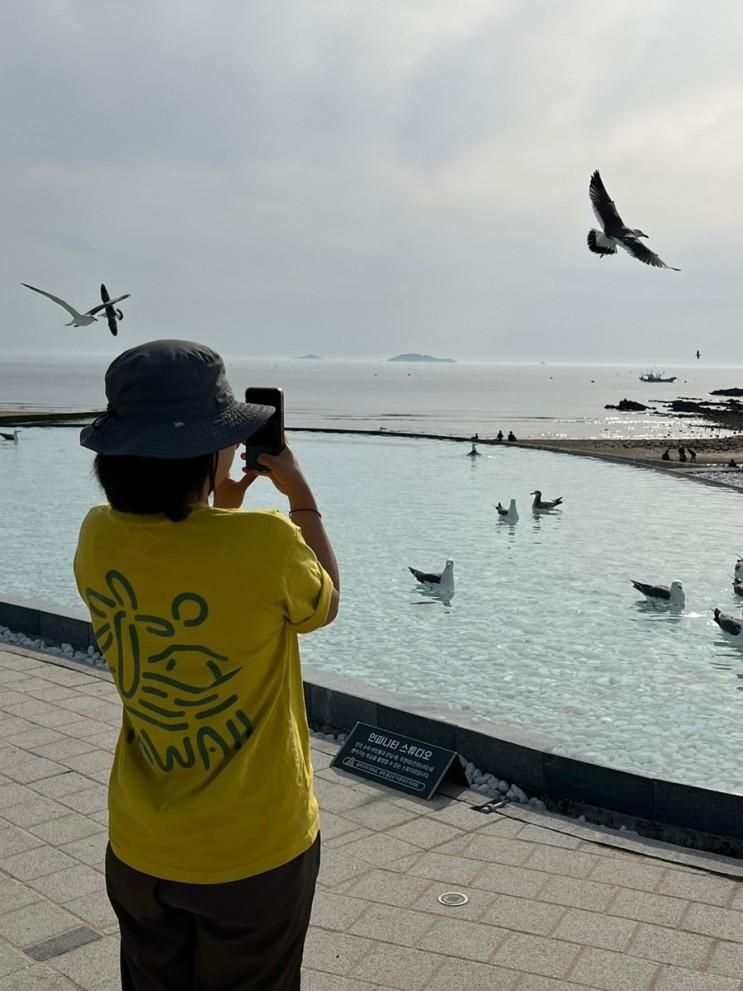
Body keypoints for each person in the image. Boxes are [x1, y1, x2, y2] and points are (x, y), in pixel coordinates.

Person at [73, 340, 340, 991]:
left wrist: (217, 504)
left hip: (140, 846)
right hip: (252, 852)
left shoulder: (97, 535)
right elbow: (321, 603)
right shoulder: (268, 542)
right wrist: (299, 494)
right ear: (206, 451)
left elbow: (184, 567)